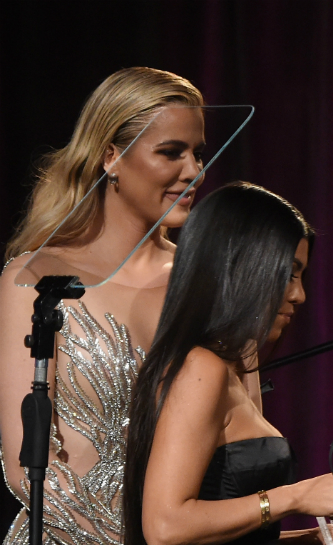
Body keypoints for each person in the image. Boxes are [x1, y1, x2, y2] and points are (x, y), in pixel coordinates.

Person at [0, 67, 206, 545]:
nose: (193, 171)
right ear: (112, 157)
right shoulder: (33, 279)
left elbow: (243, 448)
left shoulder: (210, 283)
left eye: (199, 153)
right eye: (171, 152)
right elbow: (25, 468)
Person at [123, 182, 333, 545]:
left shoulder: (235, 367)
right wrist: (295, 497)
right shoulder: (200, 368)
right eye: (288, 274)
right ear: (240, 266)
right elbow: (166, 528)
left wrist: (318, 539)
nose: (299, 295)